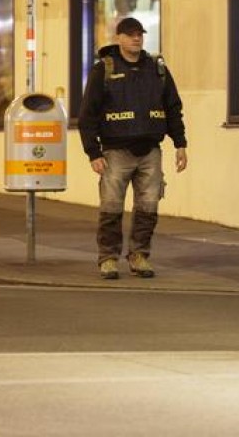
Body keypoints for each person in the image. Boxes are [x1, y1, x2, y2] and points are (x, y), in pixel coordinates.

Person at [78, 17, 188, 280]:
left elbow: (173, 108)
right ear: (119, 38)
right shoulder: (103, 70)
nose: (136, 38)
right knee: (111, 208)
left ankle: (139, 255)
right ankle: (108, 258)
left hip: (151, 149)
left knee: (148, 207)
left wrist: (180, 143)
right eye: (130, 34)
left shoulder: (157, 69)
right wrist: (93, 152)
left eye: (139, 34)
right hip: (115, 152)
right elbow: (87, 115)